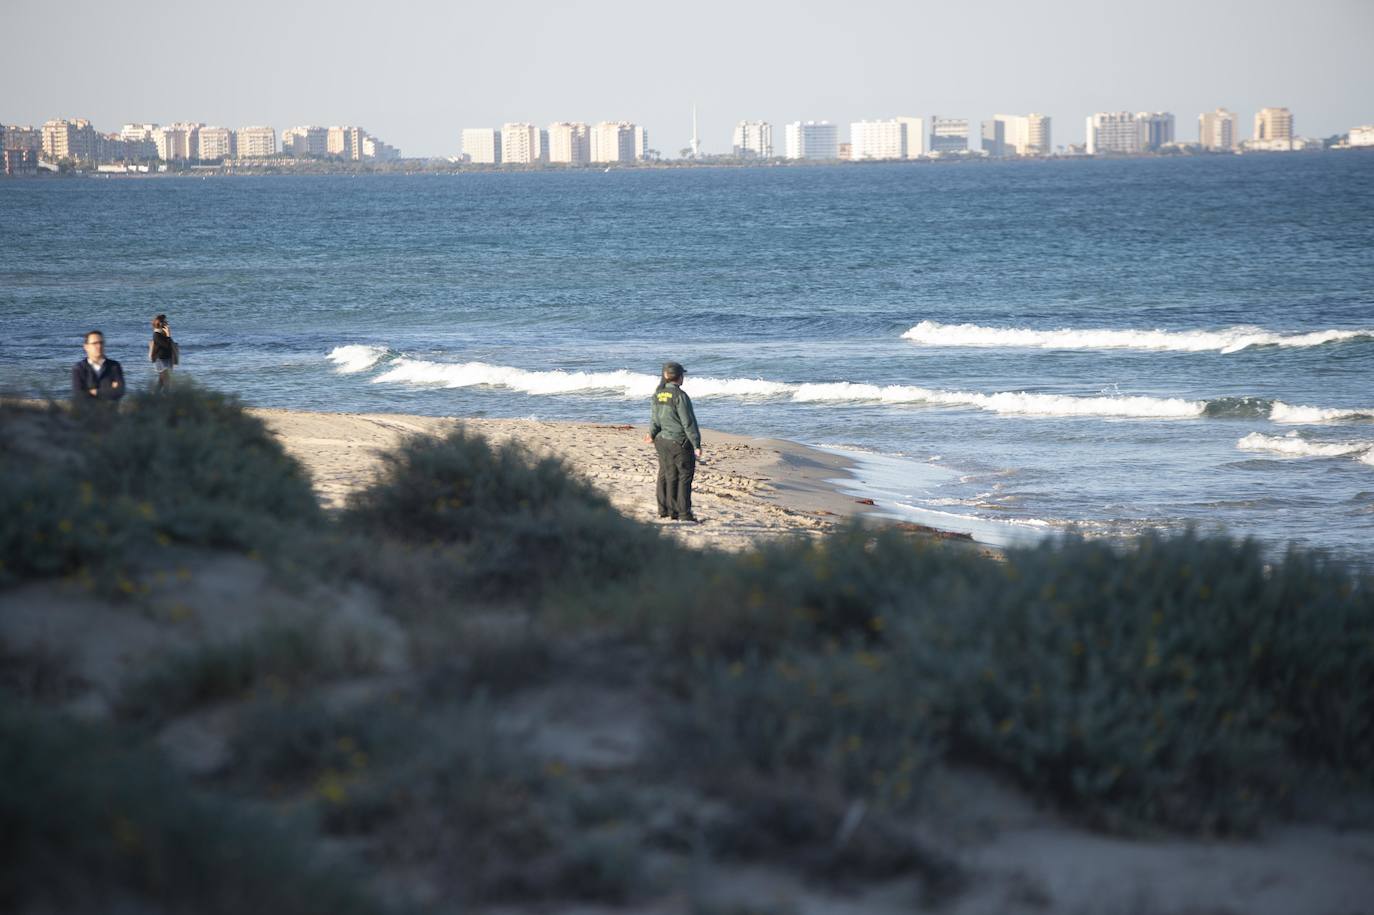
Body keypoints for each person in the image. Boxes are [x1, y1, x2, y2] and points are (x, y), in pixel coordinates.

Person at [644, 361, 702, 522]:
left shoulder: (658, 394)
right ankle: (683, 513)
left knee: (666, 473)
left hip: (661, 440)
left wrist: (651, 434)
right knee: (684, 475)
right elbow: (688, 422)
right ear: (680, 377)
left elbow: (654, 420)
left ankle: (665, 510)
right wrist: (696, 444)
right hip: (679, 441)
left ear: (665, 376)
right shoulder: (680, 396)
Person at [71, 330, 125, 403]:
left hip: (110, 412)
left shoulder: (114, 366)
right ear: (86, 347)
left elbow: (119, 391)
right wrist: (109, 390)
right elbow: (79, 395)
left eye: (101, 343)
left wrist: (94, 392)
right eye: (94, 343)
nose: (99, 346)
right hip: (87, 412)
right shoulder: (79, 368)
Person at [147, 314, 177, 390]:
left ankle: (155, 398)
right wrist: (168, 335)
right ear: (160, 323)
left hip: (167, 359)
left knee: (162, 381)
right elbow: (167, 345)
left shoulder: (162, 334)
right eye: (164, 321)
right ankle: (164, 398)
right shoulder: (156, 335)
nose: (166, 323)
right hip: (161, 360)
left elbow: (169, 345)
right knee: (165, 381)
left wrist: (167, 335)